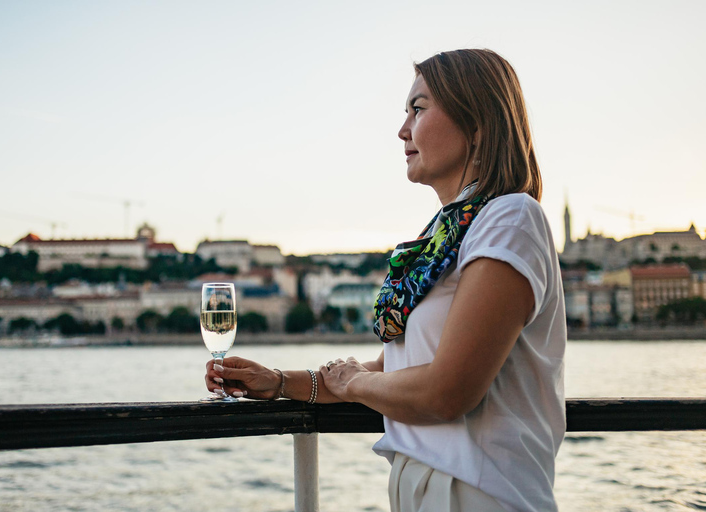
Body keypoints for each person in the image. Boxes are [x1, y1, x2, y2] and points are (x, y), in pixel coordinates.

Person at [205, 48, 566, 512]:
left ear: (477, 125)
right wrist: (276, 382)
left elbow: (444, 392)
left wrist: (353, 383)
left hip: (482, 496)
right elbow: (393, 373)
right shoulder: (447, 238)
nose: (402, 130)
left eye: (418, 109)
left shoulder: (510, 218)